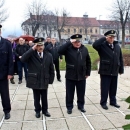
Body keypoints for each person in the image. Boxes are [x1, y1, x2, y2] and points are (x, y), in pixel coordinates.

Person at [21, 37, 55, 118]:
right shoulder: (31, 54)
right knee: (36, 97)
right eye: (38, 45)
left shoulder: (48, 55)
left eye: (42, 45)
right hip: (34, 80)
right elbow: (22, 59)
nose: (40, 47)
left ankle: (45, 110)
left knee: (44, 96)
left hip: (44, 78)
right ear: (35, 46)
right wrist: (32, 49)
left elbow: (51, 69)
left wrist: (51, 79)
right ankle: (37, 110)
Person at [58, 34, 91, 114]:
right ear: (72, 42)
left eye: (79, 41)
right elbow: (59, 51)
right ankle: (69, 107)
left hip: (82, 74)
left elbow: (88, 61)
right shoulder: (68, 49)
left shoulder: (84, 49)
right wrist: (69, 42)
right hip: (71, 75)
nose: (78, 43)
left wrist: (87, 73)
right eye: (75, 41)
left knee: (81, 92)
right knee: (69, 93)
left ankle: (81, 106)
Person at [92, 30, 124, 110]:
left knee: (113, 87)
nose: (112, 39)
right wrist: (103, 38)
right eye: (110, 37)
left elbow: (120, 58)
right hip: (105, 70)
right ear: (107, 37)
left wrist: (121, 69)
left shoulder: (117, 46)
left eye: (113, 37)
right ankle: (103, 102)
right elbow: (94, 45)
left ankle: (113, 101)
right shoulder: (102, 46)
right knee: (105, 88)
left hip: (114, 70)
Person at [0, 25, 14, 119]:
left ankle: (7, 111)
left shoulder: (7, 43)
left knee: (4, 94)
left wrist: (10, 73)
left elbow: (10, 59)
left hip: (3, 74)